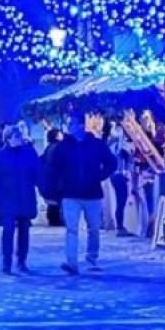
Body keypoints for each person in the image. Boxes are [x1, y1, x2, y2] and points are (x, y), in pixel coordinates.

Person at [46, 116, 116, 275]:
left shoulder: (96, 144)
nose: (69, 127)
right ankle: (72, 261)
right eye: (68, 123)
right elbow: (53, 168)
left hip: (92, 194)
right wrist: (58, 187)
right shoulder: (63, 147)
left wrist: (99, 175)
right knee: (72, 229)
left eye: (72, 123)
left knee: (94, 228)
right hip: (70, 194)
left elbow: (111, 163)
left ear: (81, 125)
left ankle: (92, 257)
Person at [0, 126, 42, 274]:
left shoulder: (29, 153)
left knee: (24, 231)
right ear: (8, 139)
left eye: (19, 136)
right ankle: (6, 262)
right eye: (16, 137)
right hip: (7, 200)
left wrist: (46, 190)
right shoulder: (0, 155)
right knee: (8, 230)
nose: (19, 139)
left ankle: (22, 261)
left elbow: (37, 173)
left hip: (25, 197)